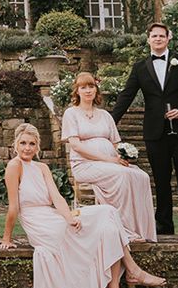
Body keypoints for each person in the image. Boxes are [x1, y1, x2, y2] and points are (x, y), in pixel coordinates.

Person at [0, 123, 165, 288]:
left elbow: (57, 198)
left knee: (108, 214)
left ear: (38, 147)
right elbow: (13, 207)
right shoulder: (14, 165)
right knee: (101, 227)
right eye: (23, 143)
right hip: (38, 223)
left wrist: (68, 216)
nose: (27, 148)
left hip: (53, 216)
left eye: (32, 144)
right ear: (15, 145)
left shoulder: (42, 167)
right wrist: (6, 238)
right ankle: (130, 276)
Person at [110, 22, 178, 241]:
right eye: (154, 36)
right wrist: (108, 122)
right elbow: (127, 96)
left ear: (168, 39)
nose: (157, 39)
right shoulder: (140, 67)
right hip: (155, 132)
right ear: (148, 39)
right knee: (160, 179)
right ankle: (164, 224)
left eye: (161, 36)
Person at [62, 72, 156, 242]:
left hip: (110, 163)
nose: (88, 90)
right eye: (83, 87)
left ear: (96, 90)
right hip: (85, 165)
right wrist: (110, 160)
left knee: (140, 176)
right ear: (77, 91)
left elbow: (115, 144)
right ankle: (121, 229)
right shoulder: (71, 113)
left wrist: (124, 154)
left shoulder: (105, 115)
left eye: (91, 86)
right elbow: (76, 145)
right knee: (122, 175)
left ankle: (140, 229)